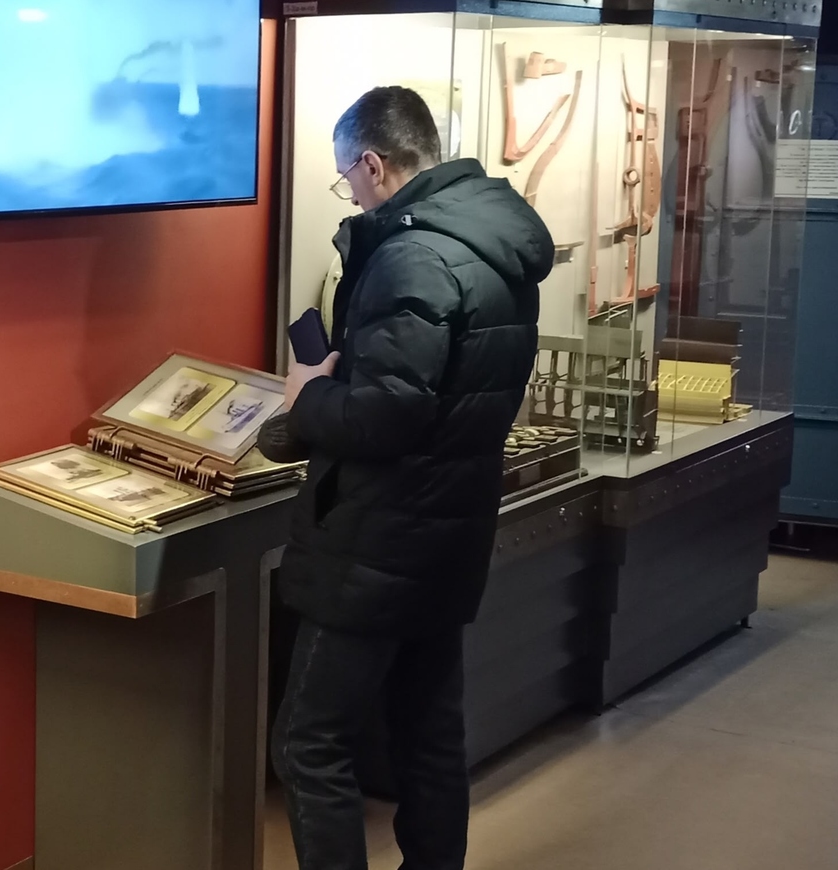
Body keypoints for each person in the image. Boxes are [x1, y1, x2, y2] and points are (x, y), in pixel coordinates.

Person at [272, 86, 554, 870]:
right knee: (427, 733)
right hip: (449, 531)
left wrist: (307, 397)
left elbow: (386, 417)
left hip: (377, 542)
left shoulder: (411, 255)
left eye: (346, 178)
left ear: (372, 164)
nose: (352, 194)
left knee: (307, 743)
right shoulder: (489, 241)